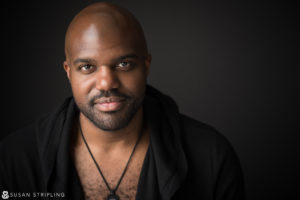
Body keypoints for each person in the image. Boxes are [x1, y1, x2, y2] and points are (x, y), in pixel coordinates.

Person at [0, 2, 244, 200]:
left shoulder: (210, 156)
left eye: (124, 64)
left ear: (146, 66)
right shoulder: (15, 160)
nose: (107, 83)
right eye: (87, 67)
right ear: (68, 71)